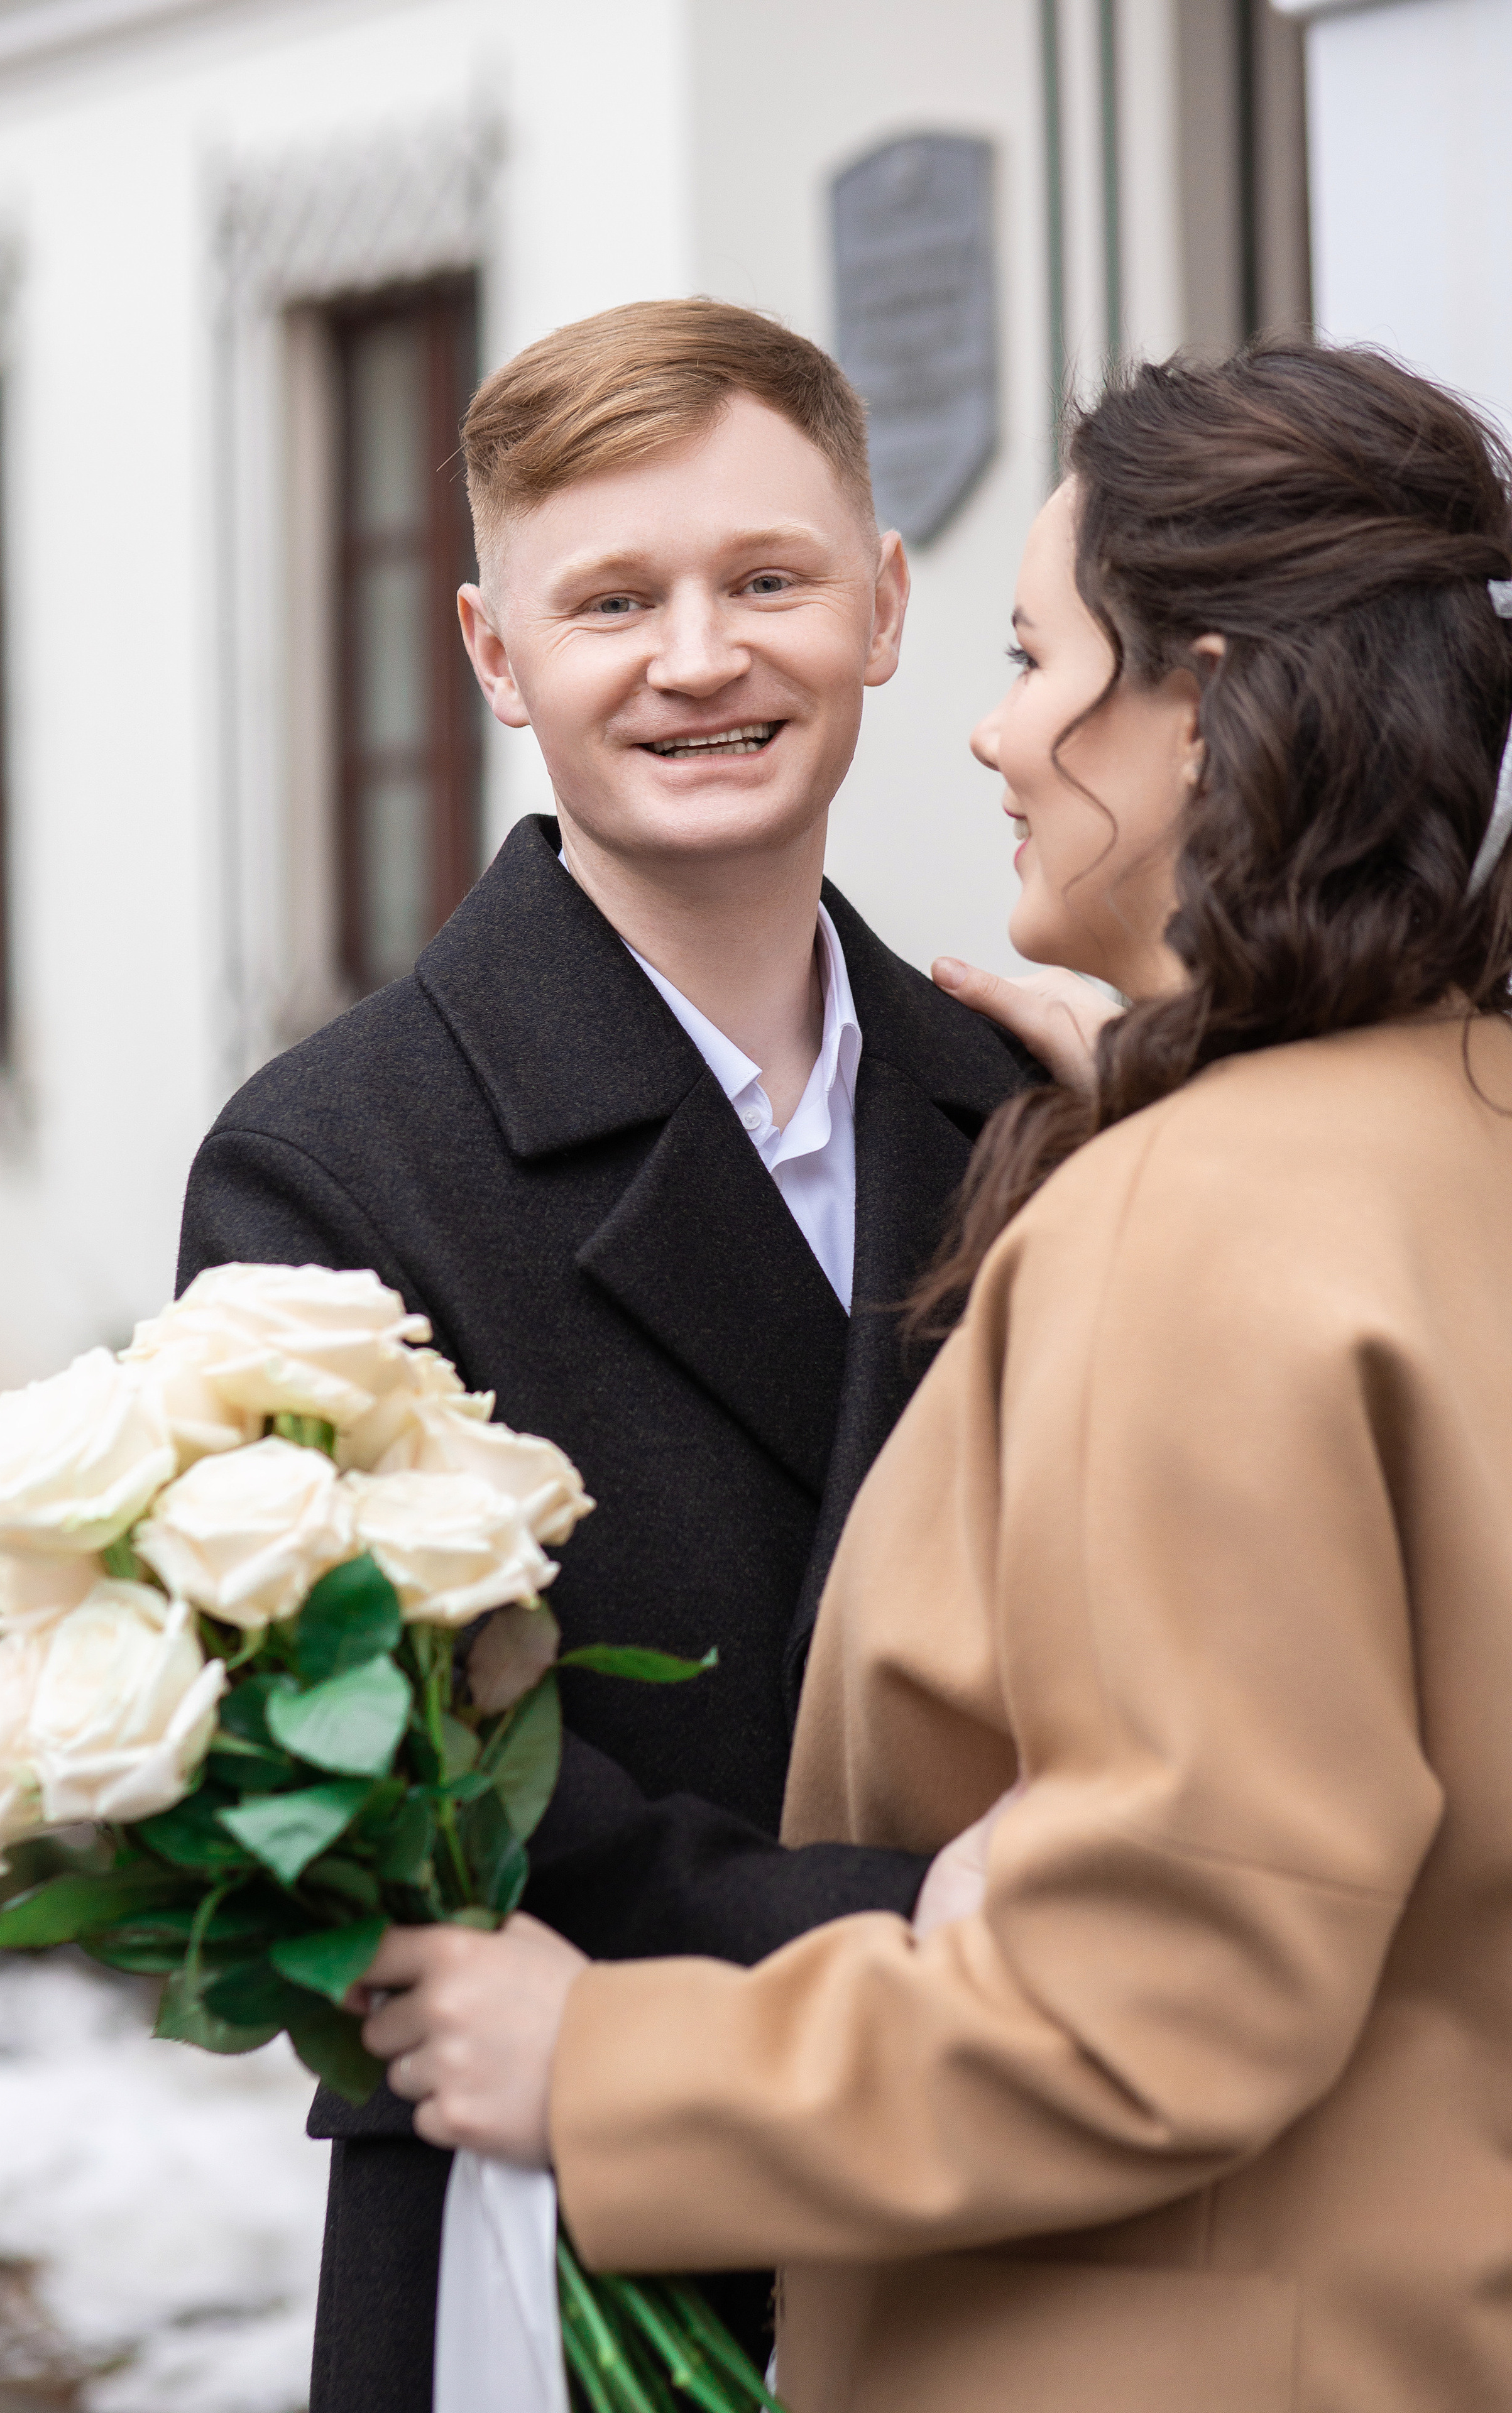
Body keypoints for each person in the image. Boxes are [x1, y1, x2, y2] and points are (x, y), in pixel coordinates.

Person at [368, 340, 1512, 2413]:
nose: (994, 730)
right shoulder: (1413, 1120)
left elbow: (1166, 1984)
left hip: (1153, 2312)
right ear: (495, 646)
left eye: (1026, 650)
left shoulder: (1160, 1177)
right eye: (612, 598)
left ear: (1207, 700)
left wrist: (615, 2064)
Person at [174, 297, 1039, 2407]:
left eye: (768, 579)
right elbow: (418, 1798)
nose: (699, 659)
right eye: (612, 600)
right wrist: (951, 1919)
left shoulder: (1021, 1107)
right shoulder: (333, 1162)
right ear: (491, 656)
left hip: (991, 2185)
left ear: (886, 602)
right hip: (559, 2219)